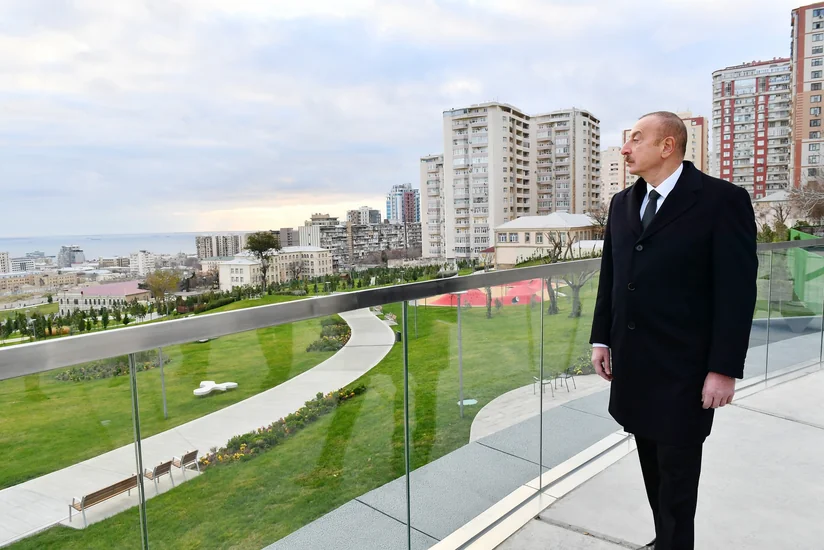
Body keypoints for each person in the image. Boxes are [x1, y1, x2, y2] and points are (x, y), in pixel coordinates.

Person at [590, 112, 757, 550]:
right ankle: (664, 541)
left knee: (679, 483)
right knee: (652, 471)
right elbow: (612, 276)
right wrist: (601, 338)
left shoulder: (722, 201)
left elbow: (737, 293)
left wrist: (723, 369)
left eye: (636, 139)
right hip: (635, 367)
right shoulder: (622, 203)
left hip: (687, 372)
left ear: (668, 146)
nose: (625, 148)